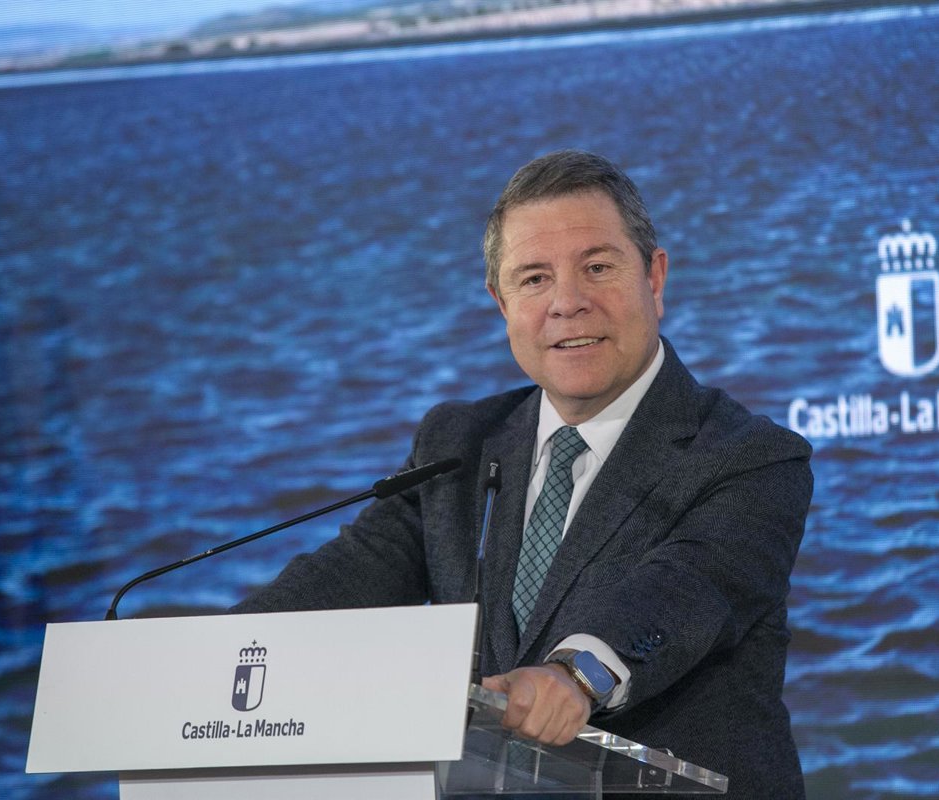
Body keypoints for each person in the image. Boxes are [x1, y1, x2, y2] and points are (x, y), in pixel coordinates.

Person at [235, 150, 813, 798]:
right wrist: (209, 659)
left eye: (597, 268)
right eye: (535, 279)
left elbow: (683, 590)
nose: (568, 303)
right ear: (501, 304)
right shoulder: (456, 444)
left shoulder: (751, 457)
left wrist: (575, 676)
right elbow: (344, 581)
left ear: (654, 278)